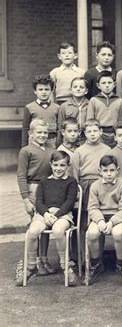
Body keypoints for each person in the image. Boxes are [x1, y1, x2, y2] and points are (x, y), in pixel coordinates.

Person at [15, 151, 79, 286]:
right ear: (51, 165)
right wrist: (46, 214)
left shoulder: (71, 182)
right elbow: (39, 201)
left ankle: (65, 266)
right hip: (44, 214)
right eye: (55, 165)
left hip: (63, 215)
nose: (58, 168)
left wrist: (56, 215)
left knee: (58, 230)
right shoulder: (44, 181)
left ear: (68, 166)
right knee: (32, 232)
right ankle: (31, 266)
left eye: (62, 165)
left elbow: (69, 202)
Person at [84, 155, 122, 285]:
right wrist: (100, 221)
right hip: (100, 217)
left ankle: (121, 265)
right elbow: (92, 207)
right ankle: (95, 264)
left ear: (117, 170)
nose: (109, 174)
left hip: (117, 217)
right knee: (92, 234)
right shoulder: (95, 186)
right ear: (99, 171)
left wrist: (112, 222)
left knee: (117, 234)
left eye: (112, 170)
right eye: (105, 171)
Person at [17, 119, 55, 276]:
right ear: (30, 134)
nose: (42, 135)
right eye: (39, 132)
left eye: (45, 132)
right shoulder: (26, 151)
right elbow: (21, 176)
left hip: (48, 188)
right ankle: (33, 261)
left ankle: (44, 259)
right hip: (33, 188)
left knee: (46, 223)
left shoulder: (51, 149)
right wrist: (26, 199)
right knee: (36, 224)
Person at [71, 119, 111, 261]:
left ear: (100, 131)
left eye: (95, 131)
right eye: (89, 132)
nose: (93, 134)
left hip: (102, 185)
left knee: (99, 219)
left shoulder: (107, 150)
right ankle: (82, 257)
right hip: (85, 186)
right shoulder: (79, 151)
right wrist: (76, 191)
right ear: (84, 134)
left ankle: (97, 257)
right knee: (83, 222)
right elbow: (74, 174)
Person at [86, 71, 122, 148]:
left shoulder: (120, 101)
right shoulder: (94, 100)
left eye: (109, 83)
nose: (107, 85)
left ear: (114, 85)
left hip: (115, 135)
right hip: (99, 135)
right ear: (98, 85)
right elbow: (90, 121)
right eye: (103, 83)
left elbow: (121, 121)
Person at [22, 75, 59, 148]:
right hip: (34, 142)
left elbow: (59, 128)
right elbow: (25, 128)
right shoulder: (29, 107)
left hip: (52, 142)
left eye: (47, 89)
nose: (44, 92)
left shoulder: (57, 107)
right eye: (40, 89)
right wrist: (24, 146)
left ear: (51, 91)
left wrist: (58, 144)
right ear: (35, 91)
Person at [58, 76, 89, 145]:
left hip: (85, 140)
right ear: (71, 90)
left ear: (86, 91)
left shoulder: (90, 105)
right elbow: (60, 125)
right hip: (69, 140)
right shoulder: (64, 106)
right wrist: (59, 143)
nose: (78, 89)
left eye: (81, 87)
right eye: (75, 87)